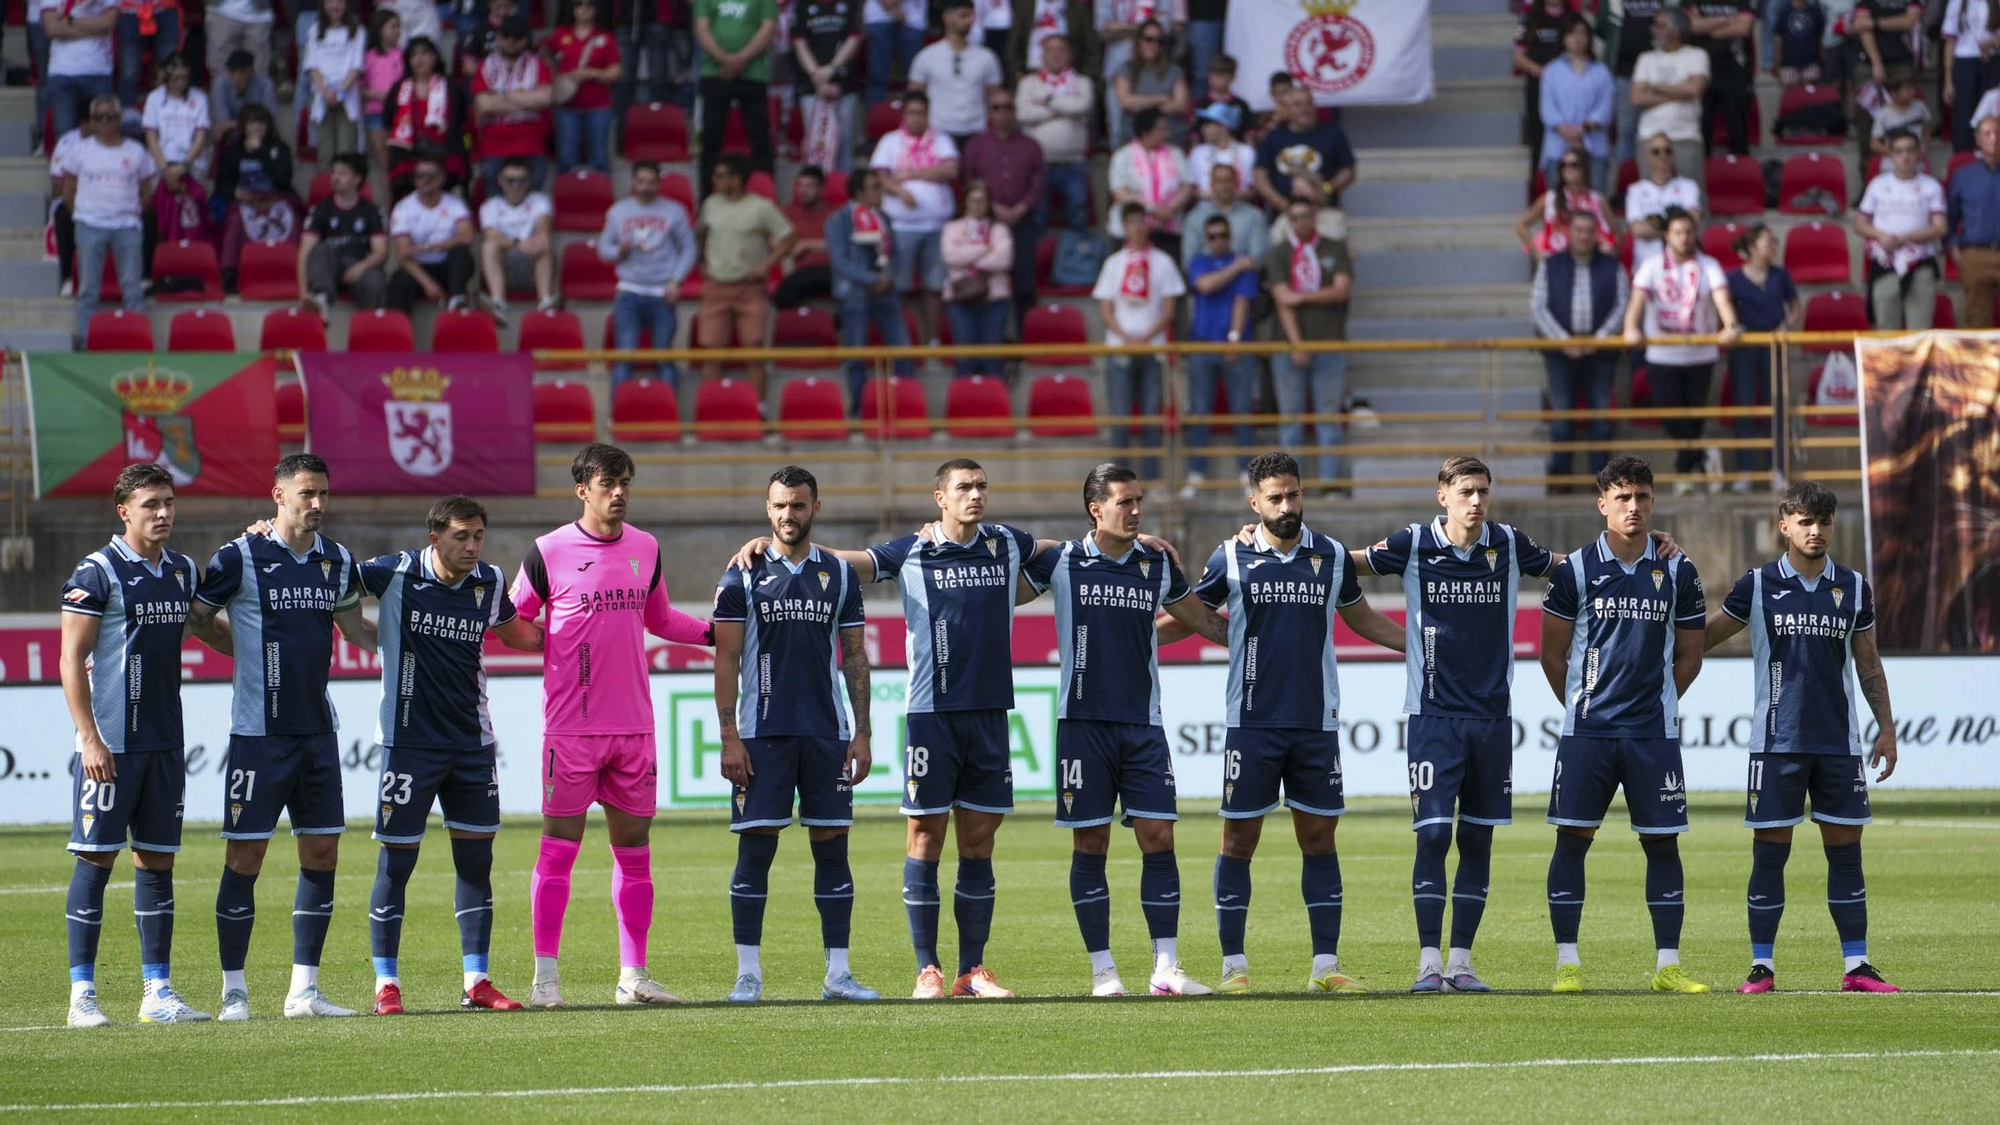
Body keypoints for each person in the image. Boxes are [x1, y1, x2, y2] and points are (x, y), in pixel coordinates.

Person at [728, 458, 1071, 1000]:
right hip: (930, 714)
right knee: (925, 836)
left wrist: (1129, 538)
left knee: (979, 841)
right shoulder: (911, 550)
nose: (976, 495)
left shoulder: (1006, 542)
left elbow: (1057, 549)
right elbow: (846, 563)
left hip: (989, 713)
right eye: (964, 487)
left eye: (982, 486)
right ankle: (927, 969)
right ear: (940, 497)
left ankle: (972, 971)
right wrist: (772, 542)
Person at [1159, 452, 1408, 992]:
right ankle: (1234, 967)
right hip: (1251, 721)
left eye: (1293, 494)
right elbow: (1191, 615)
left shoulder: (1331, 555)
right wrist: (1133, 637)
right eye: (1274, 497)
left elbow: (1363, 619)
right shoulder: (1231, 555)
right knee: (1238, 839)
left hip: (1316, 721)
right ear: (1255, 502)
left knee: (1319, 838)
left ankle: (1325, 967)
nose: (1286, 505)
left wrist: (1423, 646)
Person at [513, 443, 716, 1009]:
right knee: (559, 850)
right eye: (609, 483)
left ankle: (634, 976)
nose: (620, 492)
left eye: (626, 482)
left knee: (635, 851)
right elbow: (511, 618)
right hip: (571, 730)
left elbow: (660, 618)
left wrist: (714, 633)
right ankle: (546, 979)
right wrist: (554, 644)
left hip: (633, 729)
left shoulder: (646, 547)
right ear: (583, 489)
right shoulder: (548, 551)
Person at [1020, 463, 1228, 997]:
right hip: (1081, 725)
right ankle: (1103, 971)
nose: (1136, 511)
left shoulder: (1155, 564)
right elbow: (1003, 575)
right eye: (1124, 502)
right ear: (1096, 509)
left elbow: (1200, 618)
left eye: (1139, 502)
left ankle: (1166, 967)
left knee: (1159, 837)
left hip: (1143, 725)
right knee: (1091, 843)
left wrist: (1256, 641)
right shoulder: (1062, 560)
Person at [184, 454, 376, 1020]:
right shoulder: (239, 556)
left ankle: (304, 991)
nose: (317, 503)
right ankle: (234, 991)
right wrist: (243, 648)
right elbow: (197, 619)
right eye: (307, 493)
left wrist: (416, 642)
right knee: (246, 856)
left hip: (318, 732)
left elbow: (354, 629)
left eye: (323, 493)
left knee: (322, 852)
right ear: (279, 495)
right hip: (258, 734)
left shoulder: (337, 560)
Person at [339, 496, 546, 1016]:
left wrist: (583, 631)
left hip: (472, 745)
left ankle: (476, 980)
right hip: (408, 745)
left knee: (476, 863)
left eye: (478, 536)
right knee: (396, 865)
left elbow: (518, 633)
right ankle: (386, 984)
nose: (472, 546)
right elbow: (331, 581)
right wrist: (356, 629)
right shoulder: (394, 572)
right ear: (434, 538)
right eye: (461, 536)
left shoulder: (490, 582)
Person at [1703, 481, 1902, 995]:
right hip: (1776, 744)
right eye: (1805, 522)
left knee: (1846, 855)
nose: (1815, 531)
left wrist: (1887, 727)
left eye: (1824, 521)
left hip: (1838, 743)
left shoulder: (1853, 587)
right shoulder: (1757, 584)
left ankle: (1857, 966)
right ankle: (1761, 967)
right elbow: (1703, 636)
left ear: (1833, 526)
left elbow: (1868, 663)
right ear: (1784, 526)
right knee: (1770, 855)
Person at [59, 464, 225, 1028]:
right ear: (124, 511)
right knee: (96, 860)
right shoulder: (97, 572)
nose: (163, 513)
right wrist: (90, 739)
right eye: (151, 503)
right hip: (111, 744)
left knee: (157, 863)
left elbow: (208, 629)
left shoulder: (182, 570)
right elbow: (70, 659)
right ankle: (82, 995)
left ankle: (157, 992)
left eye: (169, 502)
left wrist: (271, 642)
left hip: (164, 742)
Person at [1538, 455, 1709, 995]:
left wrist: (1656, 703)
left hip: (1652, 735)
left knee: (1662, 845)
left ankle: (1668, 966)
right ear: (1602, 504)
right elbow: (1552, 655)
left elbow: (1690, 656)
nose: (1633, 507)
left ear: (1652, 502)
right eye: (1623, 498)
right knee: (1573, 840)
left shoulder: (1679, 571)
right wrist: (1583, 705)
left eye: (1642, 497)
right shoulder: (1575, 570)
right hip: (1588, 733)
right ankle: (1567, 963)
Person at [712, 466, 881, 1004]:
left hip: (827, 733)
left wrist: (862, 733)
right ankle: (748, 975)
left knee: (833, 850)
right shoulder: (741, 575)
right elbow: (726, 658)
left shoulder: (840, 575)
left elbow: (854, 657)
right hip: (762, 734)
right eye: (780, 505)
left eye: (799, 505)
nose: (789, 514)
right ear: (768, 509)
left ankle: (839, 974)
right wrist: (728, 735)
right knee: (755, 851)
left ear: (815, 508)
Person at [1623, 206, 1742, 492]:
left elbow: (1723, 300)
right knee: (1670, 415)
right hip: (1662, 355)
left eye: (1688, 232)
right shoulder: (1651, 265)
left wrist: (1730, 325)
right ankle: (1700, 457)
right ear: (1667, 235)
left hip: (1700, 355)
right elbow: (1636, 302)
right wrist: (1630, 327)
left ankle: (1684, 472)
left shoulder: (1709, 265)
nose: (1684, 237)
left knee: (1695, 419)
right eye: (1677, 232)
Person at [1531, 209, 1630, 484]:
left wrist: (1598, 339)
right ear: (1568, 233)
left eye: (1589, 231)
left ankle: (1603, 483)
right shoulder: (1550, 265)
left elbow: (1622, 305)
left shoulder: (1613, 266)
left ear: (1596, 234)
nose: (1584, 236)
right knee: (1562, 419)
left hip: (1601, 353)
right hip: (1560, 353)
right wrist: (1564, 341)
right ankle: (1562, 479)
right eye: (1578, 230)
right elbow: (1538, 308)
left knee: (1601, 418)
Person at [1266, 197, 1355, 492]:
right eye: (1294, 217)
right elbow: (1282, 299)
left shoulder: (1334, 247)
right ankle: (1290, 489)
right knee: (1290, 419)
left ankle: (1329, 483)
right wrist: (1297, 344)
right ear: (1289, 221)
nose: (1301, 222)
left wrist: (1301, 296)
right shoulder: (1279, 252)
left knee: (1328, 417)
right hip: (1288, 346)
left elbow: (1341, 291)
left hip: (1329, 344)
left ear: (1315, 216)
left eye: (1305, 215)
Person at [1095, 203, 1184, 480]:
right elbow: (1105, 309)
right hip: (1119, 347)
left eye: (1142, 221)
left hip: (1153, 349)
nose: (1138, 227)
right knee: (1120, 417)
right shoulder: (1113, 263)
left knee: (1151, 417)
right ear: (1124, 227)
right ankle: (1117, 482)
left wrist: (1144, 338)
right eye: (1132, 222)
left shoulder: (1163, 262)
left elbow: (1169, 310)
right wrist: (1126, 338)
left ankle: (1152, 480)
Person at [61, 95, 156, 349]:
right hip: (90, 224)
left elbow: (147, 191)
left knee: (132, 289)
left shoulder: (136, 151)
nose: (104, 122)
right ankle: (87, 342)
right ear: (91, 121)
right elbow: (68, 190)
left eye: (110, 116)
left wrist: (131, 212)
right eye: (98, 117)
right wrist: (82, 214)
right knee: (88, 290)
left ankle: (137, 341)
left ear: (119, 119)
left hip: (127, 226)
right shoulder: (79, 150)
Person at [697, 153, 796, 397]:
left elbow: (789, 238)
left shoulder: (761, 207)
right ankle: (710, 408)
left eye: (720, 176)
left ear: (737, 179)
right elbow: (701, 233)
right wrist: (702, 260)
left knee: (754, 351)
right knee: (711, 353)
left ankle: (758, 409)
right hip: (716, 286)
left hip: (750, 288)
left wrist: (767, 265)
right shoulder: (710, 204)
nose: (715, 180)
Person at [870, 92, 960, 346]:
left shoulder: (941, 139)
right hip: (901, 227)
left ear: (928, 115)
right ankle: (901, 342)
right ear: (904, 115)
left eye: (922, 113)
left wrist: (909, 174)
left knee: (935, 287)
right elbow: (879, 178)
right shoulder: (890, 141)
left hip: (936, 227)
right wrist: (900, 191)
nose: (917, 118)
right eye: (912, 112)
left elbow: (951, 170)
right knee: (900, 286)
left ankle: (932, 341)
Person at [1179, 214, 1259, 497]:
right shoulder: (1201, 262)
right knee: (1200, 411)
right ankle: (1196, 474)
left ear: (1230, 237)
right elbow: (1205, 285)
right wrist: (1236, 266)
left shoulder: (1246, 266)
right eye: (1212, 236)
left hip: (1236, 346)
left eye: (1223, 235)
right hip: (1202, 346)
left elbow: (1242, 302)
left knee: (1242, 411)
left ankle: (1247, 476)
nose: (1218, 240)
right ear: (1206, 239)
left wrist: (1233, 340)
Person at [600, 161, 699, 388]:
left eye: (651, 182)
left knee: (664, 358)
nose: (645, 187)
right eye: (641, 181)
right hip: (629, 291)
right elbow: (603, 250)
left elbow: (689, 249)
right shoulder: (618, 211)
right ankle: (619, 410)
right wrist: (619, 251)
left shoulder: (674, 210)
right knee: (624, 358)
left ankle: (669, 410)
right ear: (633, 182)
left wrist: (676, 280)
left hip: (662, 292)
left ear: (659, 183)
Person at [827, 168, 915, 409]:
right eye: (875, 188)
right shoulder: (838, 220)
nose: (881, 192)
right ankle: (858, 410)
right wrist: (870, 279)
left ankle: (908, 406)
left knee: (903, 351)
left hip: (886, 292)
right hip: (855, 294)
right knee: (856, 355)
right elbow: (839, 260)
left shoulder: (883, 218)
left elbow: (895, 255)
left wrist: (886, 277)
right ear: (859, 192)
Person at [1722, 224, 1799, 484]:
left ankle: (1776, 469)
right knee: (1744, 406)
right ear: (1752, 247)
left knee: (1775, 405)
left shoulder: (1781, 275)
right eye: (1768, 242)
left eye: (1774, 242)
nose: (1773, 247)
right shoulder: (1733, 278)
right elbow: (1724, 308)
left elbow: (1795, 307)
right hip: (1744, 347)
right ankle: (1745, 470)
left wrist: (1786, 325)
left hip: (1774, 345)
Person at [961, 88, 1045, 320]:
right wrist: (993, 207)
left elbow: (1038, 183)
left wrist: (1021, 208)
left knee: (1024, 282)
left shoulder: (1030, 145)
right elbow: (969, 181)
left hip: (1023, 222)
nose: (1002, 113)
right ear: (989, 112)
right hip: (986, 222)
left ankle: (1024, 337)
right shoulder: (976, 146)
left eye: (1007, 107)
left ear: (1015, 111)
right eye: (997, 108)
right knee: (989, 281)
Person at [1856, 127, 1946, 331]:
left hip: (1920, 264)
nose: (1905, 156)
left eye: (1910, 150)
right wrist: (1881, 236)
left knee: (1919, 333)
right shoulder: (1877, 185)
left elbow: (1940, 227)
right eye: (1899, 151)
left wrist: (1903, 239)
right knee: (1886, 332)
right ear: (1891, 155)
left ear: (1918, 153)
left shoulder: (1931, 186)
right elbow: (1859, 223)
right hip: (1885, 264)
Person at [694, 0, 777, 199]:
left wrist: (740, 59)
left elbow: (768, 28)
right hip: (715, 72)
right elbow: (701, 29)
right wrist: (725, 59)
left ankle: (765, 196)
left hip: (754, 73)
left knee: (761, 139)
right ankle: (707, 199)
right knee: (710, 139)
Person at [213, 102, 302, 289]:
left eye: (261, 123)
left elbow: (283, 179)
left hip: (275, 197)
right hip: (245, 200)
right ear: (244, 126)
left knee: (291, 217)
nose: (257, 127)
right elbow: (221, 183)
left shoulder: (279, 148)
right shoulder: (232, 151)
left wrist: (262, 151)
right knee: (235, 220)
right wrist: (235, 192)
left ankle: (294, 268)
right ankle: (230, 273)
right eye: (252, 123)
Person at [1015, 34, 1093, 231]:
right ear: (1041, 55)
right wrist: (1061, 111)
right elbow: (1023, 114)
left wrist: (1047, 101)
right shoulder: (1028, 83)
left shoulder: (1083, 82)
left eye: (1061, 49)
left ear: (1070, 54)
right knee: (1037, 218)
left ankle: (1076, 251)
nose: (1055, 54)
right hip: (1038, 164)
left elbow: (1082, 106)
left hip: (1074, 163)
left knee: (1078, 217)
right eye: (1050, 50)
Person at [298, 152, 389, 317]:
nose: (335, 177)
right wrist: (303, 293)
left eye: (342, 173)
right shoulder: (319, 210)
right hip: (328, 268)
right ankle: (320, 301)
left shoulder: (372, 211)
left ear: (357, 179)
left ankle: (369, 323)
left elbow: (381, 253)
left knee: (375, 279)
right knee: (320, 249)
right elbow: (304, 253)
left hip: (359, 267)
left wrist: (360, 267)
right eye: (333, 172)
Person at [471, 16, 554, 193]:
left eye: (517, 38)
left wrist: (501, 96)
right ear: (498, 38)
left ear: (525, 40)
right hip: (494, 145)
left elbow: (545, 99)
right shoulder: (485, 66)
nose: (511, 42)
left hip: (531, 144)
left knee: (533, 200)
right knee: (495, 198)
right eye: (506, 36)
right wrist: (528, 101)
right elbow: (484, 104)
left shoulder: (538, 64)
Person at [941, 179, 1015, 377]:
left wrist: (968, 258)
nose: (977, 205)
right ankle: (965, 396)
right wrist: (984, 249)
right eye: (973, 200)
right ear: (965, 202)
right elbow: (950, 256)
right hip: (960, 299)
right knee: (965, 358)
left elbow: (1003, 260)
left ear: (988, 203)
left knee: (992, 359)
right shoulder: (951, 228)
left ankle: (995, 396)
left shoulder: (1000, 229)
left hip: (994, 300)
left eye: (982, 200)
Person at [1631, 8, 1711, 187]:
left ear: (1676, 31)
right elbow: (1637, 98)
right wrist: (1679, 92)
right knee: (1650, 195)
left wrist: (1655, 88)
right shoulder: (1646, 58)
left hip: (1686, 136)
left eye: (1660, 26)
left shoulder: (1697, 55)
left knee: (1692, 194)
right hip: (1649, 137)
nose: (1653, 29)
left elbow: (1694, 90)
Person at [909, 0, 1005, 147]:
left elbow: (995, 98)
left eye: (971, 16)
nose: (969, 21)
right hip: (938, 134)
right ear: (947, 17)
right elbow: (915, 97)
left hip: (977, 133)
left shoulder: (987, 57)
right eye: (963, 15)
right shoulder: (926, 56)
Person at [387, 156, 476, 313]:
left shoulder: (455, 204)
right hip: (419, 268)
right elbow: (404, 254)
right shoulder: (403, 208)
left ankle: (456, 301)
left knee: (462, 254)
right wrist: (428, 284)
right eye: (419, 176)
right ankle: (400, 326)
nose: (425, 180)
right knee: (399, 280)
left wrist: (429, 246)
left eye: (431, 175)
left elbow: (467, 237)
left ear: (442, 178)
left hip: (448, 267)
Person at [1538, 15, 1614, 194]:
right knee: (1558, 202)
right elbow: (1548, 110)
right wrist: (1568, 133)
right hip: (1558, 148)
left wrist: (1582, 129)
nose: (1577, 38)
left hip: (1593, 148)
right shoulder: (1551, 71)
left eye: (1582, 33)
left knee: (1595, 202)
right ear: (1564, 38)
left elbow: (1605, 109)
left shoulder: (1602, 71)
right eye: (1572, 33)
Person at [478, 156, 558, 324]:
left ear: (529, 181)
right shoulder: (490, 205)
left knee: (545, 243)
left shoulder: (540, 201)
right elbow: (491, 236)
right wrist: (517, 244)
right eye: (510, 180)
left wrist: (525, 244)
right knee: (489, 246)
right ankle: (498, 301)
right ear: (500, 180)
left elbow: (543, 231)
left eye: (521, 180)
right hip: (504, 266)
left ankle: (544, 300)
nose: (516, 185)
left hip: (532, 263)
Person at [1254, 85, 1357, 213]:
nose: (1305, 109)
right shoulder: (1273, 138)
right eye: (1298, 104)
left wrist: (1326, 188)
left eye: (1309, 103)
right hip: (1283, 214)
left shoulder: (1333, 134)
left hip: (1324, 212)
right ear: (1286, 110)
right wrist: (1281, 203)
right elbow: (1260, 176)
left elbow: (1348, 171)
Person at [1106, 107, 1192, 259]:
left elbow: (1186, 186)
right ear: (1146, 131)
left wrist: (1170, 209)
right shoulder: (1123, 156)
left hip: (1167, 228)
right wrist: (1151, 209)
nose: (1166, 133)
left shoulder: (1175, 153)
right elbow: (1119, 193)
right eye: (1160, 129)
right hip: (1130, 231)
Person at [551, 0, 623, 175]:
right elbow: (548, 62)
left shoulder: (605, 37)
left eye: (589, 5)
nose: (584, 9)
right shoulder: (560, 35)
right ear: (572, 8)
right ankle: (565, 191)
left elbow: (615, 72)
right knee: (566, 157)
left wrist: (592, 73)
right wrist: (560, 80)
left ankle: (602, 191)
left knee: (599, 157)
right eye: (579, 4)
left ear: (596, 9)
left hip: (598, 106)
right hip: (567, 106)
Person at [792, 0, 864, 172]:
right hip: (812, 85)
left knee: (844, 139)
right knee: (814, 139)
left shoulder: (850, 4)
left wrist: (832, 68)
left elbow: (853, 39)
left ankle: (843, 185)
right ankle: (816, 184)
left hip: (844, 82)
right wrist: (815, 73)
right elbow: (799, 43)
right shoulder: (802, 5)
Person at [388, 36, 464, 198]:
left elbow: (460, 118)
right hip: (408, 156)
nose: (419, 59)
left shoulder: (451, 86)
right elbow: (389, 122)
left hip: (444, 155)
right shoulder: (398, 89)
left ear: (434, 57)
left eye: (424, 53)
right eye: (414, 55)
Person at [1516, 146, 1617, 260]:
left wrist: (1609, 248)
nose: (1568, 169)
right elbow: (1521, 225)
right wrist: (1537, 254)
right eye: (1563, 165)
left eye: (1573, 165)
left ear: (1584, 168)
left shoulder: (1597, 199)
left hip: (1591, 261)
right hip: (1556, 261)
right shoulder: (1550, 198)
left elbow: (1617, 234)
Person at [1624, 132, 1704, 269]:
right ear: (1647, 156)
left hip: (1684, 266)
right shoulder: (1635, 190)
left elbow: (1693, 220)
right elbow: (1637, 229)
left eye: (1667, 150)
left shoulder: (1688, 186)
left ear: (1673, 154)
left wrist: (1655, 223)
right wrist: (1677, 229)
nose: (1662, 155)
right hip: (1646, 266)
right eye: (1656, 151)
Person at [44, 0, 119, 142]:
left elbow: (108, 23)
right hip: (62, 71)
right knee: (65, 134)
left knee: (103, 133)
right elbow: (52, 28)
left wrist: (69, 20)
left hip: (98, 69)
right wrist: (93, 28)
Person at [303, 0, 366, 169]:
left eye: (339, 2)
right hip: (322, 97)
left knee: (346, 153)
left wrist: (340, 92)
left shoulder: (357, 30)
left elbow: (357, 66)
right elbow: (311, 66)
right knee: (325, 154)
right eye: (330, 2)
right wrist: (326, 92)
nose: (335, 6)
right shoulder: (315, 29)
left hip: (347, 96)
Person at [1950, 116, 2000, 326]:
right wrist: (1955, 250)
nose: (1993, 138)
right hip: (1975, 254)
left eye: (1997, 132)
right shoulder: (1963, 176)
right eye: (1987, 133)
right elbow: (1951, 217)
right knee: (1978, 321)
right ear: (1977, 139)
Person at [1688, 1, 1755, 157]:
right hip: (1701, 75)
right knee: (1701, 132)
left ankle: (1740, 169)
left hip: (1736, 75)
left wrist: (1706, 28)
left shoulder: (1741, 2)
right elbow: (1691, 26)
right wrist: (1726, 19)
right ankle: (1702, 170)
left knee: (1738, 131)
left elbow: (1743, 28)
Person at [1111, 18, 1188, 150]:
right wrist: (1161, 99)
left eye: (1158, 41)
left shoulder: (1174, 71)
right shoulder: (1125, 69)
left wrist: (1140, 105)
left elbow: (1181, 104)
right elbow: (1126, 101)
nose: (1153, 45)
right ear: (1138, 41)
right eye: (1148, 39)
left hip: (1170, 140)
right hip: (1134, 140)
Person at [1609, 0, 1668, 169]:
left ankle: (1658, 178)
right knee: (1626, 131)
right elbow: (1604, 29)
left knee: (1660, 131)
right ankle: (1625, 179)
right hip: (1625, 72)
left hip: (1661, 71)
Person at [1179, 163, 1268, 269]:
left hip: (1244, 275)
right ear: (1211, 185)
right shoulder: (1194, 218)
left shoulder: (1254, 216)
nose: (1224, 186)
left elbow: (1258, 257)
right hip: (1206, 276)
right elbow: (1188, 261)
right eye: (1219, 181)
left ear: (1236, 183)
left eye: (1228, 180)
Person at [1514, 0, 1573, 156]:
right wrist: (1540, 71)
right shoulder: (1529, 17)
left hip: (1568, 84)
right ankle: (1537, 170)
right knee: (1537, 132)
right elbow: (1518, 56)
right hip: (1537, 82)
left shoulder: (1573, 17)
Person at [775, 165, 837, 308]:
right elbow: (774, 241)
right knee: (784, 295)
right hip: (798, 271)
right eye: (800, 186)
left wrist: (806, 244)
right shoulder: (786, 212)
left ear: (821, 189)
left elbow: (841, 243)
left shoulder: (835, 214)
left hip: (830, 269)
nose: (802, 191)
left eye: (809, 186)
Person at [141, 55, 211, 183]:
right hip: (161, 161)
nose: (180, 83)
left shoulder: (200, 98)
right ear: (167, 78)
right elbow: (151, 136)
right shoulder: (154, 98)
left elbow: (200, 137)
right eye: (176, 79)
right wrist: (165, 168)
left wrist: (183, 166)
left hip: (191, 162)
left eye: (184, 78)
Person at [1943, 0, 1999, 151]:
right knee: (1963, 113)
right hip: (1964, 61)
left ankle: (1991, 153)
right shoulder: (1956, 3)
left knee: (1989, 112)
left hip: (1993, 61)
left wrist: (1993, 42)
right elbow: (1950, 41)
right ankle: (1963, 156)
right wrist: (1948, 80)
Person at [362, 11, 405, 200]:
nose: (397, 31)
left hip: (399, 116)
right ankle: (390, 208)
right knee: (384, 167)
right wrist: (377, 94)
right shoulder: (368, 57)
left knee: (400, 165)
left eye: (398, 27)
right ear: (380, 29)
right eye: (393, 26)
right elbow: (359, 89)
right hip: (376, 114)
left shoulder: (402, 55)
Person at [1009, 0, 1097, 81]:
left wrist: (1084, 77)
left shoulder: (1079, 8)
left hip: (1071, 78)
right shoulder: (1024, 5)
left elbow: (1091, 48)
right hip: (1030, 74)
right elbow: (1014, 44)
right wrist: (1017, 73)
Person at [864, 0, 928, 107]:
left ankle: (912, 116)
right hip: (879, 16)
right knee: (877, 76)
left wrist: (892, 4)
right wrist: (891, 6)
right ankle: (875, 115)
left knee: (913, 76)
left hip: (913, 19)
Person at [211, 48, 279, 147]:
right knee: (219, 134)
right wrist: (249, 123)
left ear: (251, 71)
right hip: (233, 136)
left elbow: (268, 119)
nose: (236, 77)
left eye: (241, 72)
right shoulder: (220, 85)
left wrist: (235, 124)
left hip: (259, 134)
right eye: (232, 72)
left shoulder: (266, 85)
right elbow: (222, 123)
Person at [1189, 102, 1253, 202]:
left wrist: (1226, 197)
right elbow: (1191, 189)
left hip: (1239, 208)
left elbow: (1253, 190)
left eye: (1207, 124)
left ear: (1223, 126)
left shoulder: (1247, 152)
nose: (1203, 128)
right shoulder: (1197, 153)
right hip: (1205, 208)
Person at [205, 0, 275, 93]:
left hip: (259, 16)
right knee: (220, 76)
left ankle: (255, 103)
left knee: (259, 76)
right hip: (221, 12)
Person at [1854, 0, 1921, 87]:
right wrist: (1876, 63)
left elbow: (1910, 21)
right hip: (1869, 62)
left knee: (1905, 93)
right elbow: (1863, 26)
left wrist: (1874, 23)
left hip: (1902, 60)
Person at [1868, 71, 1931, 154]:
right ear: (1893, 93)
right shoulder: (1882, 114)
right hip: (1892, 158)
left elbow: (1927, 128)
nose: (1912, 92)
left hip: (1916, 155)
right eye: (1907, 89)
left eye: (1913, 88)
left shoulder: (1920, 107)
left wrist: (1924, 146)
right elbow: (1874, 144)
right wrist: (1896, 154)